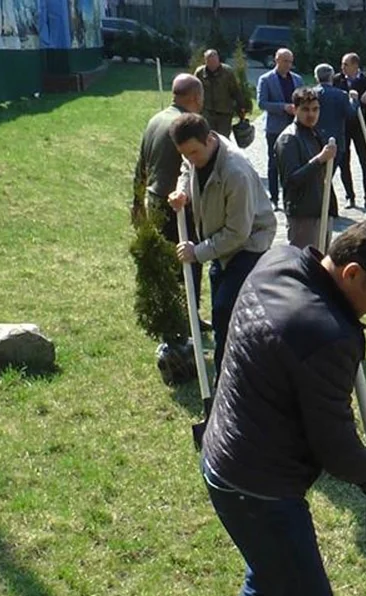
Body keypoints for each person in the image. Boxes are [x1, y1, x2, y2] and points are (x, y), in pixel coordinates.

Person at [200, 220, 366, 596]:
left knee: (267, 578)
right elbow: (335, 446)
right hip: (258, 489)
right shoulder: (326, 335)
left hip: (224, 460)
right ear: (353, 273)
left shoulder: (278, 260)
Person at [168, 113, 276, 369]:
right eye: (186, 153)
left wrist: (198, 252)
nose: (191, 159)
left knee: (227, 310)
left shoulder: (235, 171)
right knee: (221, 313)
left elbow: (238, 232)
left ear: (209, 140)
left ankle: (233, 375)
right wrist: (182, 191)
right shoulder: (195, 153)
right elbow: (186, 167)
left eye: (195, 152)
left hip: (249, 243)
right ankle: (226, 371)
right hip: (220, 242)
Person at [133, 73, 205, 313]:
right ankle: (186, 317)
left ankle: (179, 315)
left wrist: (137, 202)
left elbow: (140, 164)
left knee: (167, 263)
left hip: (154, 199)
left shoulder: (156, 119)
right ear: (196, 97)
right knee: (188, 262)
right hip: (177, 204)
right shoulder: (186, 125)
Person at [275, 88, 339, 250]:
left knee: (321, 263)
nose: (311, 114)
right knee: (304, 264)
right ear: (295, 109)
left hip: (320, 209)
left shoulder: (313, 133)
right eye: (305, 109)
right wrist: (320, 159)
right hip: (303, 214)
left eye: (315, 109)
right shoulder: (289, 139)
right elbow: (291, 180)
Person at [256, 48, 303, 209]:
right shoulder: (266, 79)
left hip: (295, 128)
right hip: (275, 128)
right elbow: (262, 103)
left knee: (293, 163)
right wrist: (283, 107)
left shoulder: (297, 79)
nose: (288, 65)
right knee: (274, 162)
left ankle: (291, 197)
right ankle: (274, 197)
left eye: (290, 61)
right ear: (276, 60)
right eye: (285, 61)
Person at [335, 52, 366, 209]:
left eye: (346, 64)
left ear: (355, 65)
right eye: (342, 64)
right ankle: (350, 196)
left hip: (361, 126)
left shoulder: (365, 79)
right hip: (343, 127)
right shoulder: (338, 80)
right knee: (344, 161)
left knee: (365, 161)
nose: (343, 67)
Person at [194, 49, 249, 138]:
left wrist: (241, 108)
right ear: (205, 61)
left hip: (224, 113)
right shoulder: (199, 73)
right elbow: (194, 90)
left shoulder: (227, 72)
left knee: (223, 139)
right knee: (208, 137)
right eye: (209, 61)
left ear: (218, 60)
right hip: (207, 112)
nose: (212, 64)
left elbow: (235, 91)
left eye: (214, 61)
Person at [312, 62, 354, 172]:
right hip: (336, 141)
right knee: (328, 174)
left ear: (316, 77)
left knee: (318, 172)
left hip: (313, 140)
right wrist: (354, 101)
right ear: (332, 77)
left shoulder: (311, 94)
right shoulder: (341, 95)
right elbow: (351, 114)